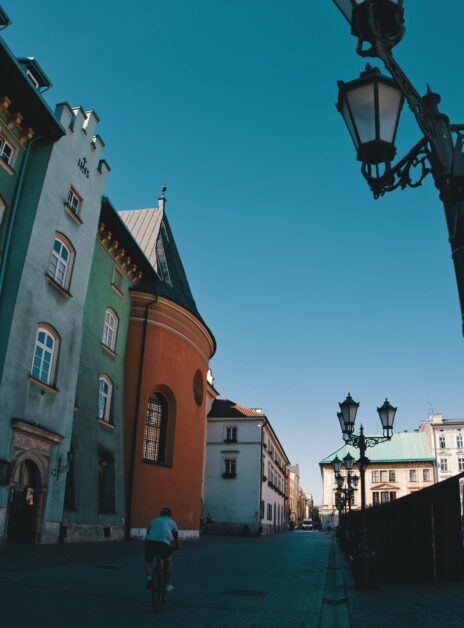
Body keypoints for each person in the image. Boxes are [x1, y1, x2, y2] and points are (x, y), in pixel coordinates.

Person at [145, 507, 179, 592]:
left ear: (160, 514)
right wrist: (177, 546)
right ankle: (167, 585)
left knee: (148, 561)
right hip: (163, 544)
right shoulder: (172, 522)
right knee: (168, 562)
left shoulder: (154, 520)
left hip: (150, 543)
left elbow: (148, 532)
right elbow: (176, 536)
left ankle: (149, 578)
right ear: (170, 515)